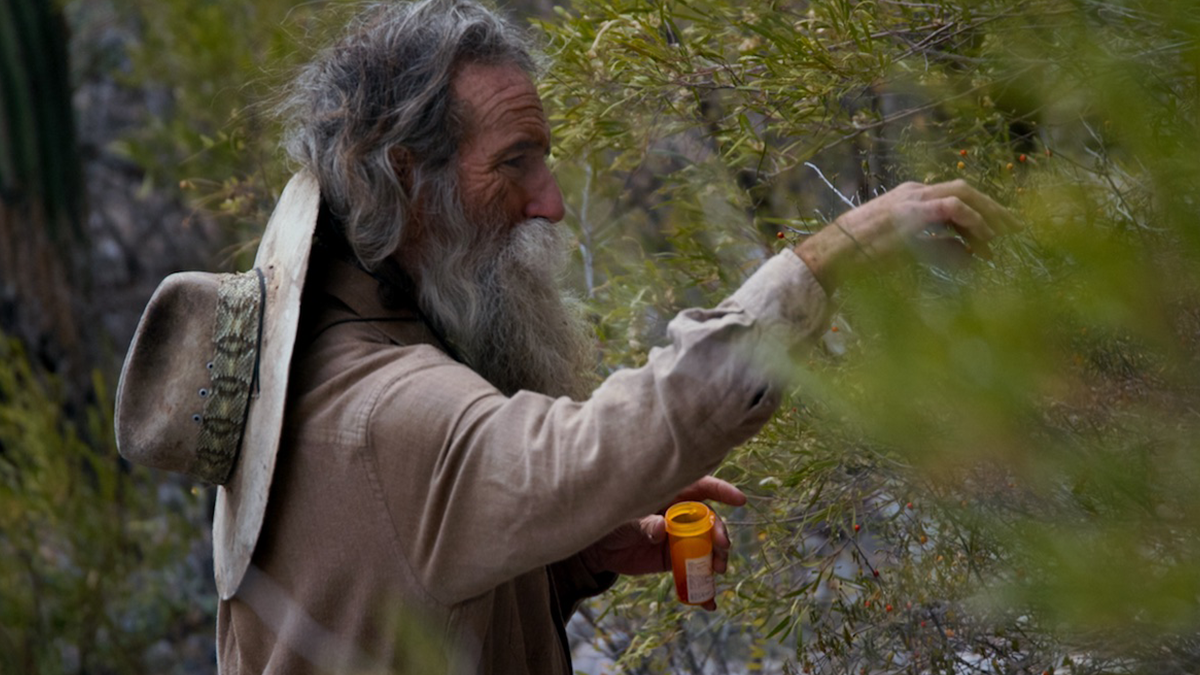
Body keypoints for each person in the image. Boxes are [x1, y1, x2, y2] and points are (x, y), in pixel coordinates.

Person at [207, 0, 1017, 672]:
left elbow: (397, 600)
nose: (550, 203)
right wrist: (832, 256)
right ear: (409, 179)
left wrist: (574, 556)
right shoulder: (381, 415)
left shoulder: (344, 350)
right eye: (515, 162)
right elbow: (610, 433)